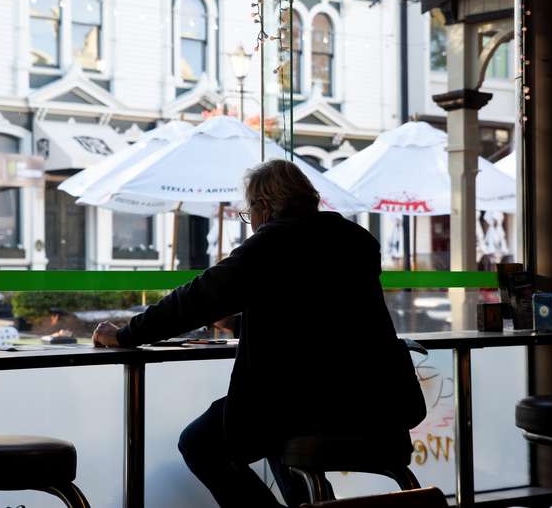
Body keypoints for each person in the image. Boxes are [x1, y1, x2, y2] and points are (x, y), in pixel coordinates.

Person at [93, 159, 424, 508]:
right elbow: (319, 320)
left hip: (308, 405)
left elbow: (193, 300)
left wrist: (126, 334)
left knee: (202, 441)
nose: (251, 222)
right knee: (271, 424)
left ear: (264, 207)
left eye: (249, 212)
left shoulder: (273, 244)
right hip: (377, 406)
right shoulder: (355, 241)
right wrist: (237, 324)